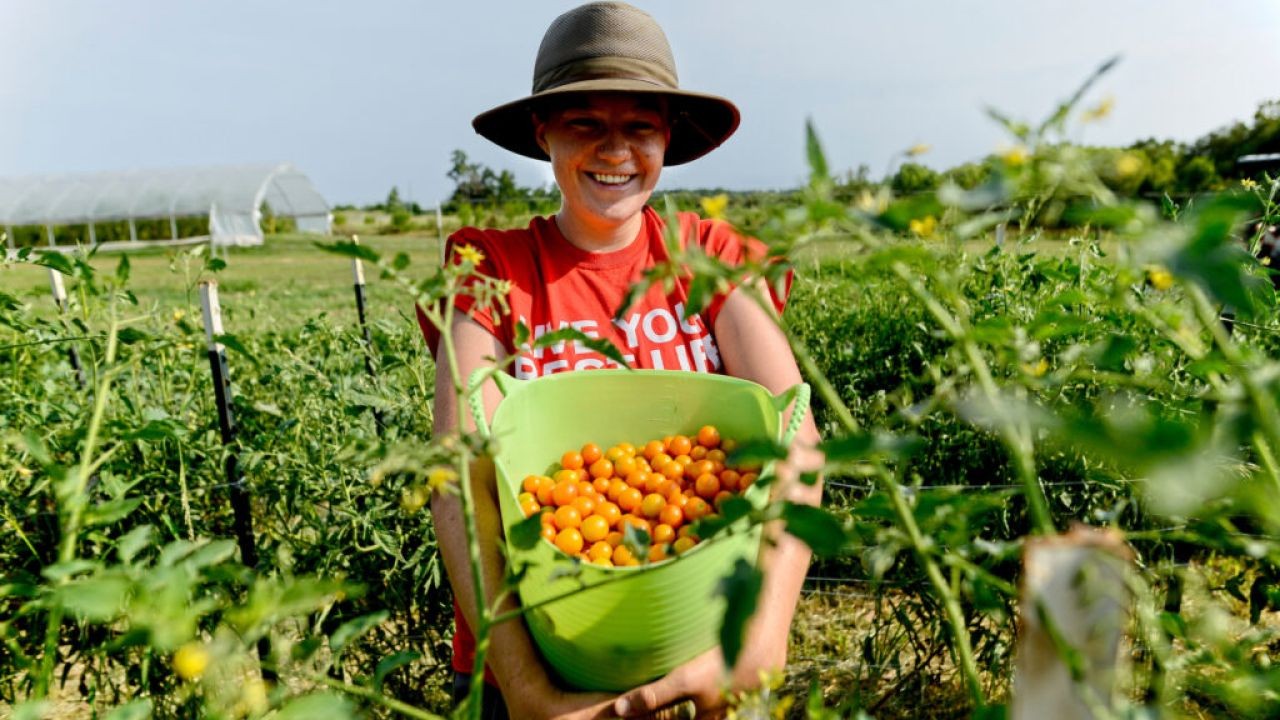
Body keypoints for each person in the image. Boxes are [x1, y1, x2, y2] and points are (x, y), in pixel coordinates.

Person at [421, 3, 823, 718]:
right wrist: (525, 687)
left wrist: (760, 642)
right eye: (584, 123)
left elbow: (798, 443)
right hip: (537, 661)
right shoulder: (491, 271)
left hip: (700, 657)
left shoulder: (710, 257)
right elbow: (460, 483)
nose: (615, 150)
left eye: (640, 126)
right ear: (543, 132)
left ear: (667, 136)